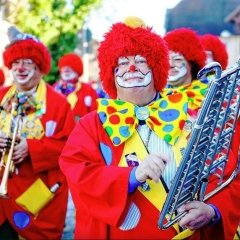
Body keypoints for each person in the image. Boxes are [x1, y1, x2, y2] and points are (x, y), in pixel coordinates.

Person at [59, 17, 240, 239]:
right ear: (111, 74)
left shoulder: (194, 118)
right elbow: (77, 173)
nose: (132, 68)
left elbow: (227, 176)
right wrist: (131, 176)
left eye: (141, 60)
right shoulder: (91, 125)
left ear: (156, 67)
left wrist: (213, 211)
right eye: (122, 63)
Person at [0, 26, 76, 239]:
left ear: (39, 66)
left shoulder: (59, 104)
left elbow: (71, 150)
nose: (20, 68)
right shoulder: (0, 96)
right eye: (15, 62)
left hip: (37, 202)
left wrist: (31, 148)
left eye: (27, 62)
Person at [53, 53, 99, 121]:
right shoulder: (54, 89)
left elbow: (96, 114)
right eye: (64, 67)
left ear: (77, 70)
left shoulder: (88, 90)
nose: (66, 70)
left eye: (70, 67)